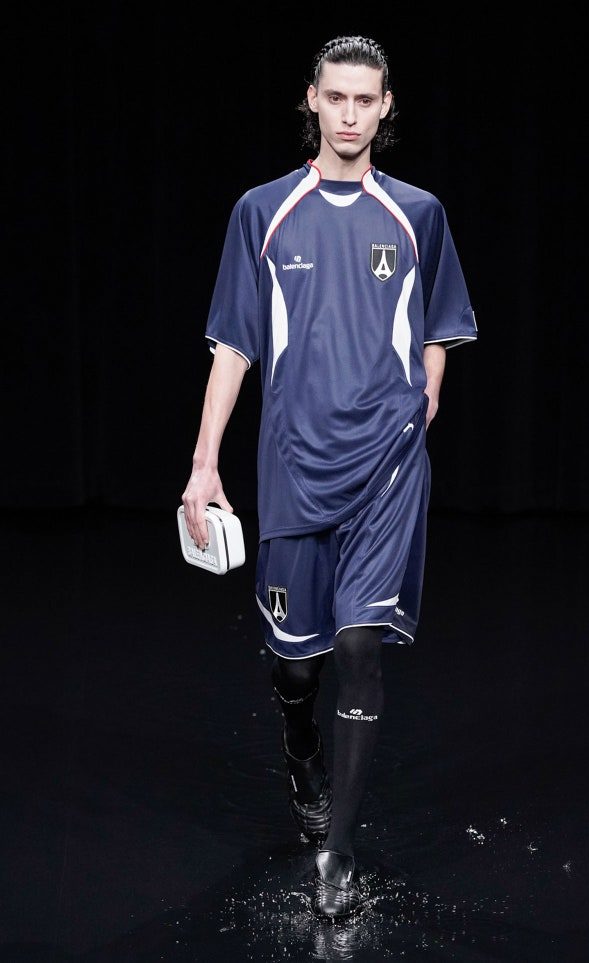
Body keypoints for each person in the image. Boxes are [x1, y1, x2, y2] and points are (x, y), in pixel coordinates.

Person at [181, 34, 477, 919]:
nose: (350, 115)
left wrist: (426, 393)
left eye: (365, 100)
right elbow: (234, 346)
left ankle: (336, 854)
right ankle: (299, 744)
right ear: (312, 99)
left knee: (359, 647)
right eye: (336, 97)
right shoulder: (263, 211)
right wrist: (203, 464)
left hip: (387, 465)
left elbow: (440, 321)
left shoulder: (418, 212)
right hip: (294, 467)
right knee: (298, 663)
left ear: (386, 108)